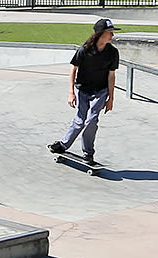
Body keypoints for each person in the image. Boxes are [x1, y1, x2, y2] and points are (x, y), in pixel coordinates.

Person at [48, 17, 120, 168]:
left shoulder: (112, 52)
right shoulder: (84, 50)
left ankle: (88, 153)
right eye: (109, 32)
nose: (112, 35)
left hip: (101, 91)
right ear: (100, 34)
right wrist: (71, 92)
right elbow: (73, 70)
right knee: (80, 120)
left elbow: (111, 75)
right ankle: (63, 145)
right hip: (83, 89)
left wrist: (111, 98)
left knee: (91, 119)